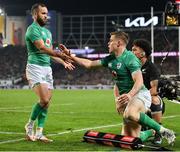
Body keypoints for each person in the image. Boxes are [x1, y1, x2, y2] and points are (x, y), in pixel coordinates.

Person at [60, 31, 176, 145]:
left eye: (111, 41)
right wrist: (70, 55)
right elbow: (89, 64)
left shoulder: (130, 58)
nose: (108, 43)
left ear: (119, 43)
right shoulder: (110, 59)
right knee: (130, 138)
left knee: (130, 113)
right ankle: (152, 131)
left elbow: (139, 81)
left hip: (140, 94)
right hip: (127, 98)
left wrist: (130, 95)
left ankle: (163, 131)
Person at [25, 3, 74, 142]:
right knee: (44, 100)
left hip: (47, 68)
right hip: (35, 67)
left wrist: (63, 61)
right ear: (35, 15)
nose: (46, 16)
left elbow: (50, 54)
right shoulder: (32, 29)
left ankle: (39, 132)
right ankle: (29, 126)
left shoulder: (48, 32)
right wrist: (61, 55)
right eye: (43, 13)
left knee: (47, 103)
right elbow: (42, 48)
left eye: (46, 13)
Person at [132, 39, 164, 144]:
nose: (132, 52)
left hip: (149, 100)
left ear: (143, 53)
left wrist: (139, 97)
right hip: (136, 101)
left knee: (155, 100)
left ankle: (158, 132)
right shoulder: (130, 67)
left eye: (134, 50)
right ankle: (146, 128)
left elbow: (154, 90)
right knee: (132, 134)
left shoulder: (151, 68)